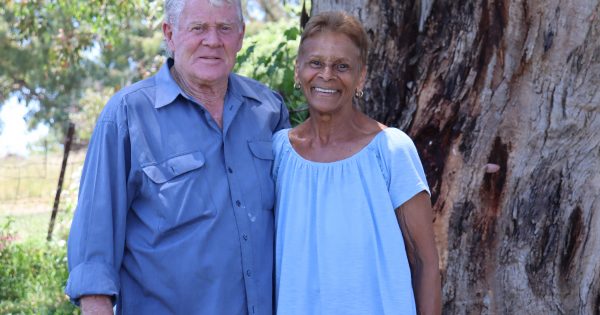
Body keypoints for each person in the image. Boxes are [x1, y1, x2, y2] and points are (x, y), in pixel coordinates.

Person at [65, 0, 290, 313]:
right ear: (169, 34)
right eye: (198, 28)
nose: (212, 41)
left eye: (224, 28)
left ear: (240, 36)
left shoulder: (268, 110)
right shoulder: (128, 115)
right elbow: (94, 246)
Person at [272, 11, 441, 315]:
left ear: (361, 76)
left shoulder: (390, 151)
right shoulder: (278, 153)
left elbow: (425, 262)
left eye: (342, 66)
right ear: (298, 70)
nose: (327, 75)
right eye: (315, 63)